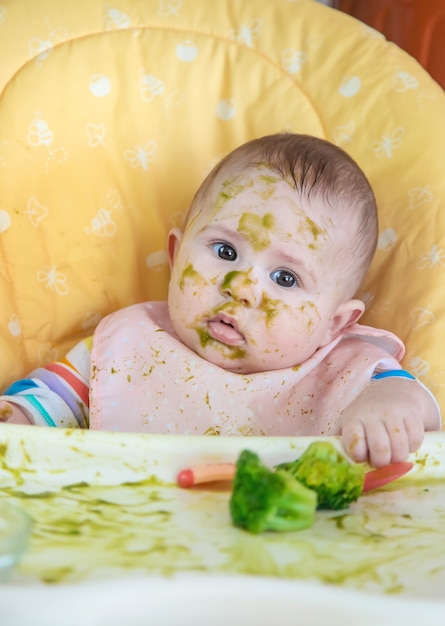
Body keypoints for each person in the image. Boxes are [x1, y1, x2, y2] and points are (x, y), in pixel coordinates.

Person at [0, 133, 440, 467]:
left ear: (335, 324)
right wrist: (18, 418)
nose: (242, 287)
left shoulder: (348, 368)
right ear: (176, 256)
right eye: (226, 252)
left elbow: (411, 401)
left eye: (285, 278)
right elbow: (51, 400)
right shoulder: (129, 345)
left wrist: (390, 409)